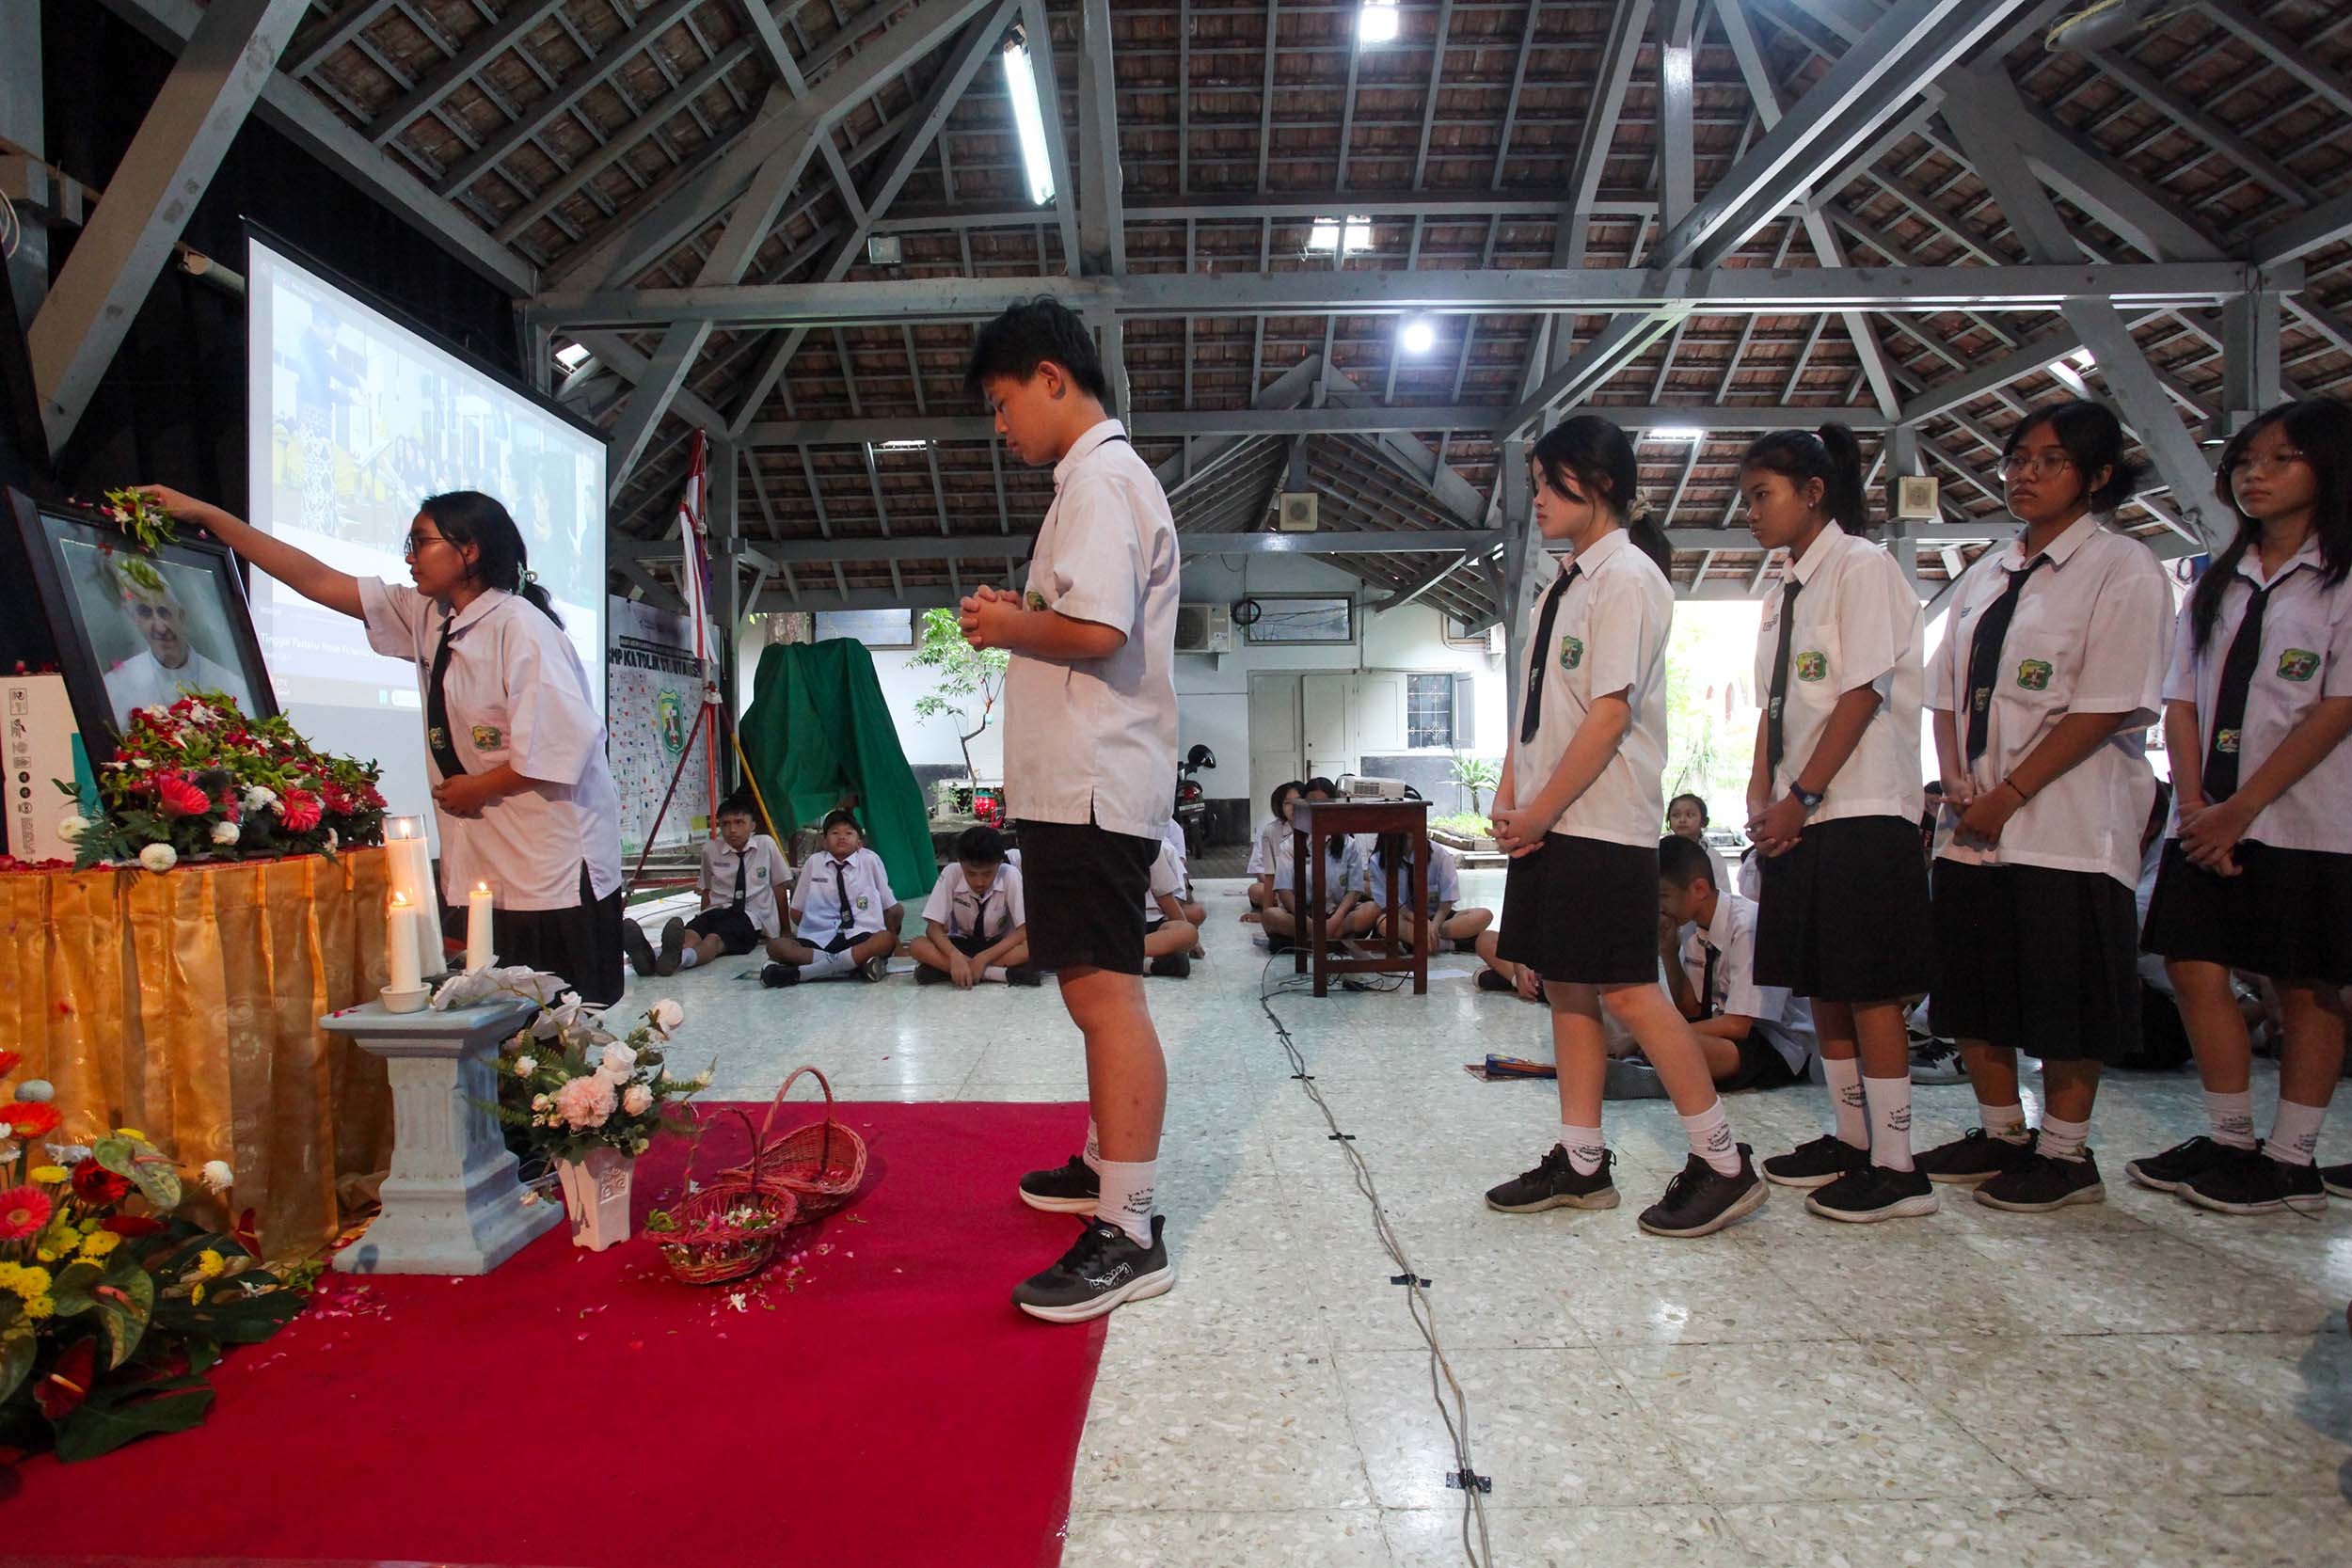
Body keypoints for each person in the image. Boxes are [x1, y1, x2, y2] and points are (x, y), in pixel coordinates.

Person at [135, 484, 627, 1001]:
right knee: (503, 1023)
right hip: (491, 858)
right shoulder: (430, 614)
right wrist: (207, 511)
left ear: (471, 550)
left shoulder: (521, 628)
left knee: (557, 1023)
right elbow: (317, 580)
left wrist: (478, 788)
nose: (411, 558)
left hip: (549, 865)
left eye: (421, 543)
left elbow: (559, 748)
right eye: (408, 546)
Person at [1482, 415, 1769, 1239]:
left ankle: (1722, 1160)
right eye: (1533, 482)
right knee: (1568, 987)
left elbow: (1608, 717)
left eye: (1549, 482)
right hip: (1551, 822)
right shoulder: (1560, 584)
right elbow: (1536, 713)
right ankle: (1581, 1161)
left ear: (1599, 482)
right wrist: (1513, 796)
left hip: (1601, 825)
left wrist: (1542, 809)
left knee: (1632, 992)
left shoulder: (1630, 578)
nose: (1535, 498)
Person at [959, 298, 1181, 1322]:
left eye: (1003, 403)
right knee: (1089, 983)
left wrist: (1009, 623)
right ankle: (1104, 1163)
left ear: (1053, 378)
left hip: (1095, 778)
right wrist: (1018, 620)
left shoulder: (1100, 479)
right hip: (1075, 780)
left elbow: (1093, 629)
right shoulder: (1087, 484)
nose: (1000, 426)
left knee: (1104, 990)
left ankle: (1130, 1225)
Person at [1910, 402, 2171, 1212]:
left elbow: (2106, 705)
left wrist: (2011, 793)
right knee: (1975, 991)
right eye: (2017, 459)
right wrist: (1957, 781)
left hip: (2067, 825)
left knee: (2063, 999)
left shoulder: (2123, 568)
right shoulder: (1990, 569)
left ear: (2096, 477)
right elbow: (1945, 689)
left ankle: (2065, 1152)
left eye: (2048, 461)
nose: (2024, 474)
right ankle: (2000, 1132)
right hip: (1973, 825)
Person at [2129, 398, 2352, 1215]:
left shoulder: (2340, 576)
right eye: (2246, 460)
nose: (2254, 474)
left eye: (2280, 459)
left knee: (2303, 981)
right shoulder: (2218, 580)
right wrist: (2196, 804)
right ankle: (2230, 1137)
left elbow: (2336, 705)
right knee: (2192, 963)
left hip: (2305, 814)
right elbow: (2181, 698)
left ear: (2328, 470)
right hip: (2209, 813)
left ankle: (2292, 1156)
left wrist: (2244, 807)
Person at [1740, 424, 1937, 1223]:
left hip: (1859, 809)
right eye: (1747, 497)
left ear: (1813, 492)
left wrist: (1805, 796)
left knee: (1870, 989)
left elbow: (1863, 694)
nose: (1749, 512)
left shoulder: (1862, 568)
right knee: (1822, 982)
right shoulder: (1782, 589)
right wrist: (1764, 794)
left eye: (1763, 495)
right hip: (1803, 814)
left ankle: (1896, 1164)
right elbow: (1773, 709)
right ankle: (1852, 1137)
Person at [1608, 833, 1818, 1100]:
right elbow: (1692, 1010)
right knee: (1621, 1010)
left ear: (1699, 889)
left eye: (1663, 896)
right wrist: (1669, 952)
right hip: (1728, 1032)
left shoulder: (1747, 927)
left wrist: (1642, 1037)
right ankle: (1656, 1066)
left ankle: (1660, 1073)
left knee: (1667, 1039)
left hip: (1777, 1045)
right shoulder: (1690, 925)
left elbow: (1738, 1026)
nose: (1657, 907)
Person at [623, 793, 789, 977]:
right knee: (689, 935)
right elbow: (707, 890)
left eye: (739, 822)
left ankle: (677, 960)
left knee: (714, 939)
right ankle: (649, 957)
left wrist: (785, 930)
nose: (732, 830)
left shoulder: (766, 845)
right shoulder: (711, 849)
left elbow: (779, 888)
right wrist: (703, 917)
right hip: (715, 911)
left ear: (753, 825)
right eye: (725, 824)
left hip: (749, 916)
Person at [101, 557, 250, 725]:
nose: (160, 627)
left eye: (164, 613)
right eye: (146, 613)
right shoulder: (115, 685)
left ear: (181, 617)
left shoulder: (233, 685)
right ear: (135, 620)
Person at [760, 809, 901, 986]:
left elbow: (892, 908)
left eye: (848, 833)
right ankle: (852, 965)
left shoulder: (870, 861)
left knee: (884, 939)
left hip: (860, 934)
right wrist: (815, 924)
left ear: (859, 842)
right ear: (824, 842)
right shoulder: (814, 862)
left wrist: (895, 939)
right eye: (835, 833)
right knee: (776, 946)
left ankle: (804, 973)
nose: (841, 837)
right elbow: (796, 911)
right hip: (820, 936)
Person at [911, 825, 1041, 987]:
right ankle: (998, 974)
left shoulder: (1010, 875)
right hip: (962, 945)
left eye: (987, 874)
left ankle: (953, 971)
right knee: (917, 945)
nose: (979, 882)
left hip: (998, 947)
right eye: (971, 874)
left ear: (999, 863)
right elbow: (933, 928)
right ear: (960, 863)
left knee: (1033, 947)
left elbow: (1023, 931)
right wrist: (955, 957)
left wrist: (984, 958)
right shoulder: (951, 873)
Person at [1344, 830, 1492, 953]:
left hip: (1437, 919)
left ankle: (1422, 941)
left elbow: (1447, 900)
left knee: (1483, 915)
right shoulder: (1379, 860)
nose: (1412, 838)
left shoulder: (1439, 854)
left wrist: (1433, 926)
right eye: (1407, 835)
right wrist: (1420, 923)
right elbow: (1392, 904)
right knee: (1385, 923)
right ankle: (1450, 944)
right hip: (1404, 918)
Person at [1263, 821, 1366, 951]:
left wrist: (1335, 919)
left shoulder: (1349, 844)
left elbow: (1354, 890)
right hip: (1302, 916)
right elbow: (1284, 891)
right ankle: (1328, 938)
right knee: (1270, 916)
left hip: (1337, 914)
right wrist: (1308, 924)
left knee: (1371, 910)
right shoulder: (1291, 844)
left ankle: (1318, 938)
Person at [1244, 780, 1305, 918]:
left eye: (1298, 801)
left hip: (1314, 892)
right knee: (1256, 890)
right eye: (1287, 803)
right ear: (1280, 806)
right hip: (1282, 890)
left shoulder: (1316, 828)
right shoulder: (1271, 831)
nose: (1293, 807)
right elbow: (1269, 874)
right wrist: (1267, 915)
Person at [1141, 835, 1200, 978]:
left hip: (1149, 922)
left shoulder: (1149, 843)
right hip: (1114, 925)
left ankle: (1131, 958)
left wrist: (1193, 943)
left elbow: (1165, 897)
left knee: (1187, 932)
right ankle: (1144, 962)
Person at [1667, 791, 1732, 893]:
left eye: (1690, 815)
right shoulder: (1661, 852)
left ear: (1704, 822)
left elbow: (1723, 894)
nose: (1682, 820)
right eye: (1676, 815)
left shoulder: (1713, 857)